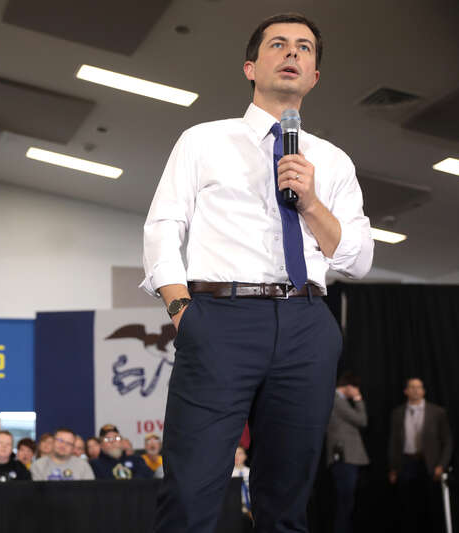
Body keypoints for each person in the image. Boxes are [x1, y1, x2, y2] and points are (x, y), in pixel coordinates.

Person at [141, 12, 373, 532]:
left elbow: (358, 260)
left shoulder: (333, 162)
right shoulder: (203, 141)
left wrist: (311, 203)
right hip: (219, 318)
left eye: (305, 49)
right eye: (279, 45)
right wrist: (184, 312)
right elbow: (161, 229)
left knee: (287, 501)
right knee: (189, 492)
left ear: (314, 76)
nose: (292, 53)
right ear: (251, 66)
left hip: (307, 323)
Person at [388, 377, 453, 533]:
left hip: (429, 463)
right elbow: (393, 442)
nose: (416, 390)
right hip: (406, 462)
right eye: (412, 387)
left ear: (424, 391)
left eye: (419, 387)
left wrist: (441, 465)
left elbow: (447, 441)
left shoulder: (437, 412)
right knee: (407, 505)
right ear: (406, 391)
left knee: (430, 504)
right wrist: (393, 468)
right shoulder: (397, 413)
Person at [325, 372, 369, 533]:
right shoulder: (337, 400)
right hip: (345, 457)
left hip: (349, 458)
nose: (357, 391)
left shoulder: (337, 400)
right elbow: (361, 420)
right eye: (356, 388)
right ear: (350, 386)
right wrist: (358, 400)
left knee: (348, 503)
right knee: (345, 502)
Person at [30, 428, 94, 481]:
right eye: (60, 440)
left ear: (72, 447)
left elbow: (90, 493)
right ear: (53, 441)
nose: (63, 445)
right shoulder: (38, 466)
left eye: (68, 443)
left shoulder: (83, 466)